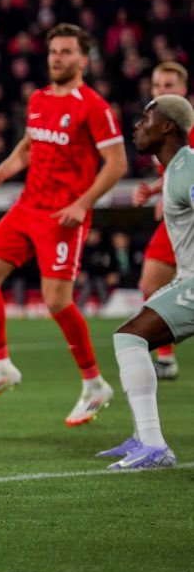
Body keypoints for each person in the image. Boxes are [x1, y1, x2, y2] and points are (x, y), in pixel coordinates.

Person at [0, 23, 127, 425]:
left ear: (83, 60)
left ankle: (94, 383)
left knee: (56, 300)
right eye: (53, 51)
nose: (57, 57)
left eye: (66, 51)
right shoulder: (38, 98)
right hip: (27, 207)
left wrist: (83, 203)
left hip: (62, 215)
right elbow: (29, 145)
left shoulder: (94, 106)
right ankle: (1, 366)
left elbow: (118, 164)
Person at [96, 95, 193, 470]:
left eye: (146, 118)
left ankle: (153, 444)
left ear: (167, 127)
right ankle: (145, 437)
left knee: (130, 337)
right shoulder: (176, 170)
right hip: (187, 277)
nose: (137, 125)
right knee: (132, 336)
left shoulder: (186, 169)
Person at [131, 61, 192, 380]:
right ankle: (166, 359)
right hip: (177, 222)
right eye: (156, 86)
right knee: (150, 284)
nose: (160, 92)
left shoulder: (184, 129)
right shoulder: (159, 130)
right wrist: (157, 190)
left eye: (168, 86)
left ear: (184, 92)